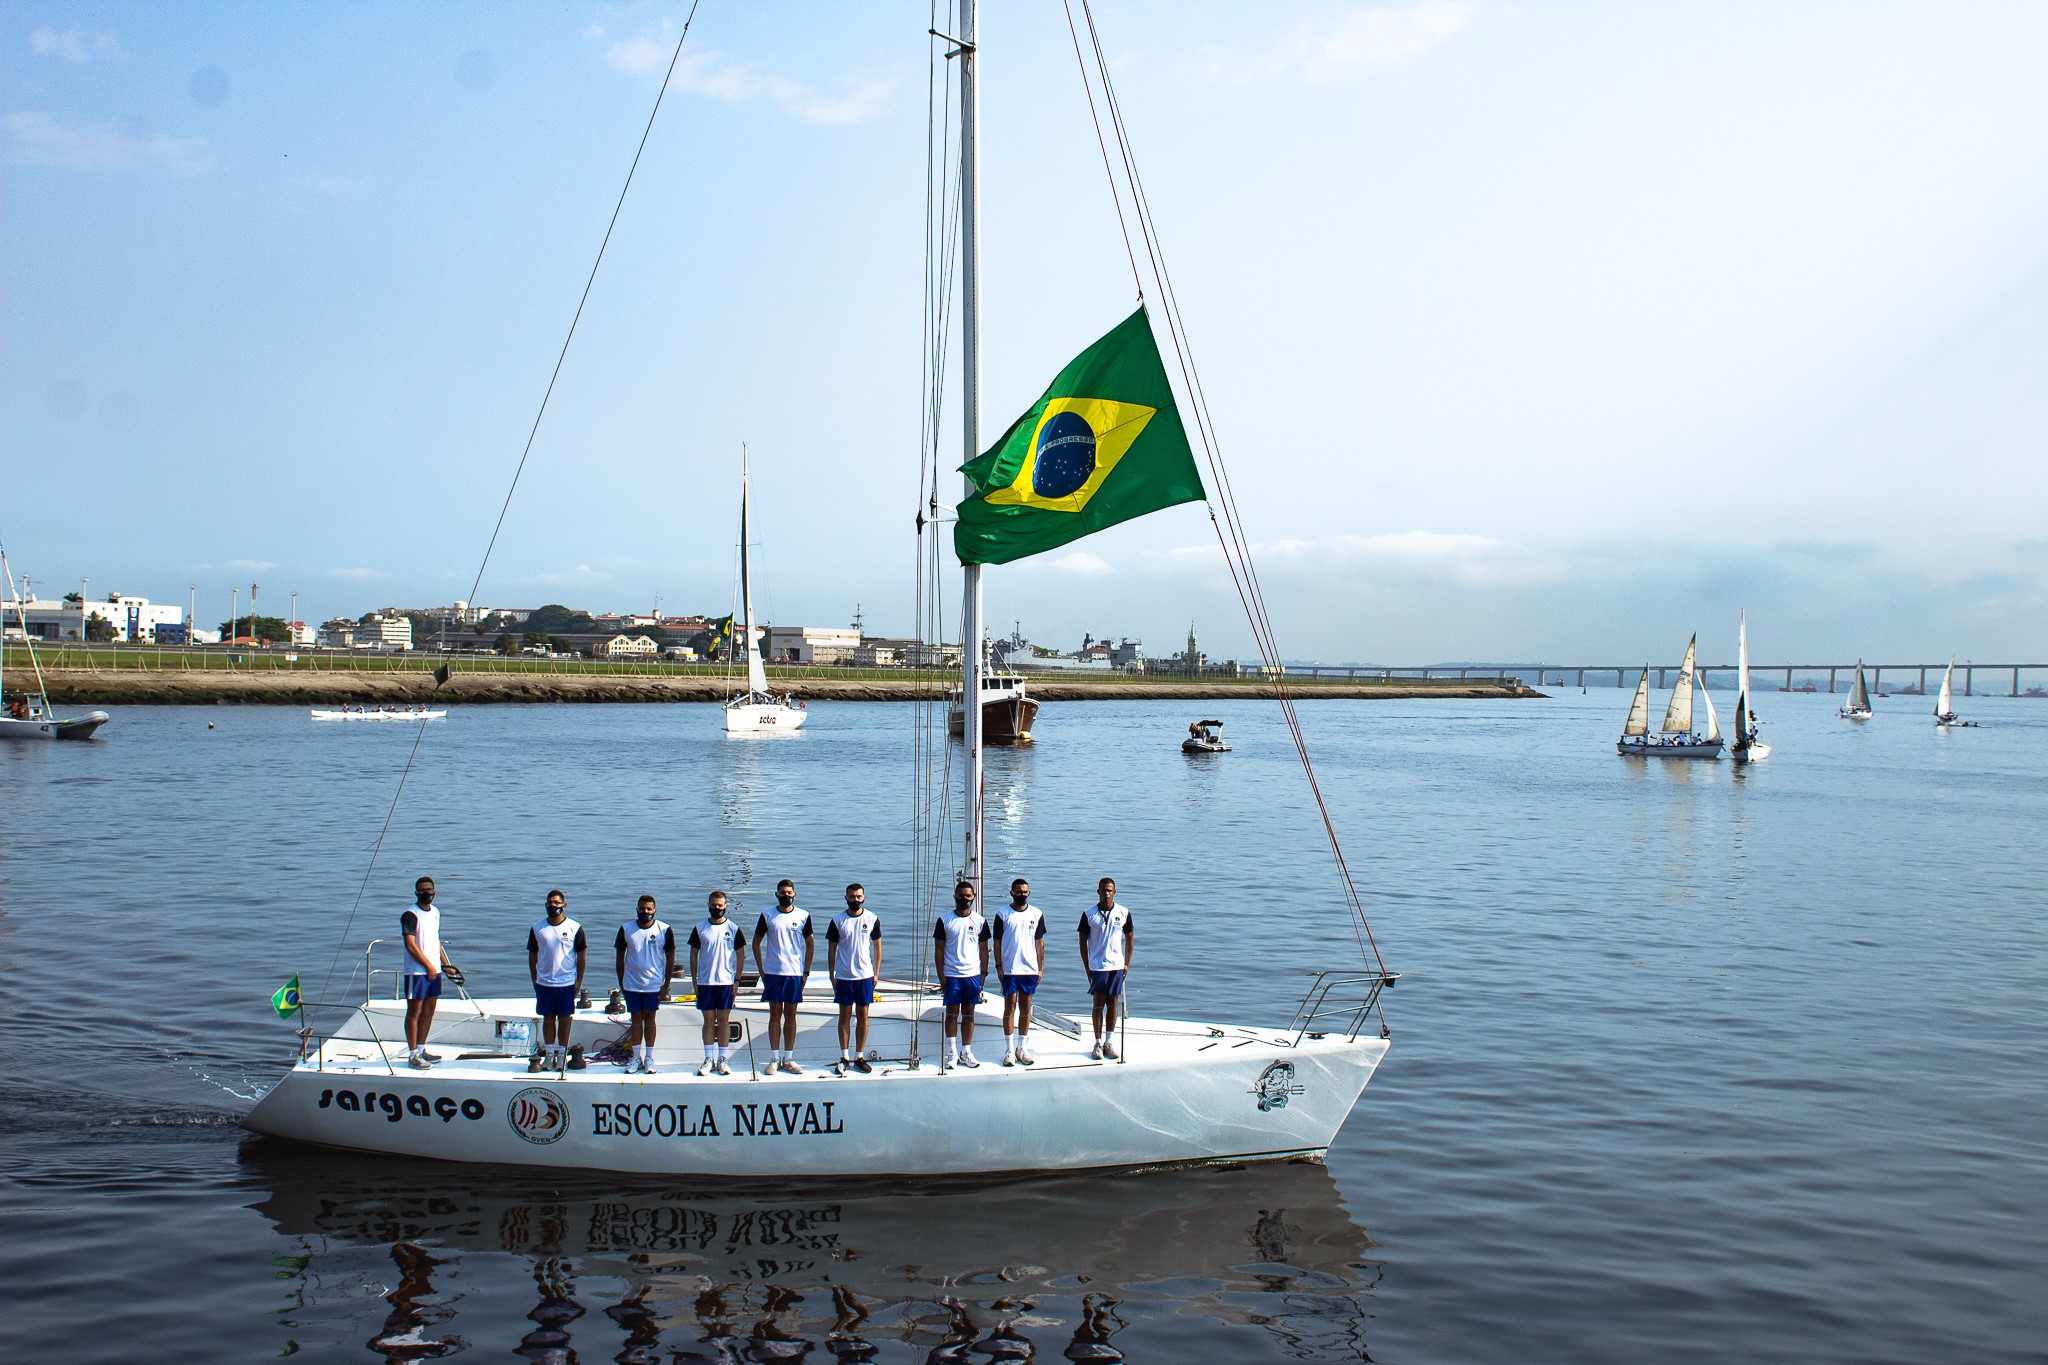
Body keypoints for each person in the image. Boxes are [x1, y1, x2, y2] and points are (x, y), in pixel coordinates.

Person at [753, 878, 814, 1074]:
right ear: (776, 894)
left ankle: (788, 1058)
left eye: (789, 893)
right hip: (773, 973)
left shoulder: (804, 915)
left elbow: (810, 944)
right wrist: (761, 970)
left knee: (790, 1015)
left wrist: (806, 971)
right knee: (774, 1015)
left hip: (794, 973)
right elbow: (755, 942)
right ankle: (774, 1058)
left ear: (794, 894)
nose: (786, 896)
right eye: (782, 892)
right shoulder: (767, 915)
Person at [399, 875, 458, 1070]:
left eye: (429, 890)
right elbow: (410, 945)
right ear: (416, 892)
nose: (426, 893)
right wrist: (428, 966)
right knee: (414, 1011)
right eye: (422, 890)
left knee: (429, 1010)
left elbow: (436, 940)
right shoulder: (410, 914)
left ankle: (423, 1048)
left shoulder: (435, 913)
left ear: (434, 892)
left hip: (434, 971)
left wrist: (445, 964)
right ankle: (413, 1054)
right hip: (416, 972)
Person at [614, 893, 675, 1075]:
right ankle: (635, 1057)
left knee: (650, 1019)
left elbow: (670, 957)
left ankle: (649, 1057)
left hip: (654, 984)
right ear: (637, 910)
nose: (645, 912)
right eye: (642, 909)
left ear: (654, 910)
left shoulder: (664, 930)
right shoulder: (626, 929)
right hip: (632, 984)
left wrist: (666, 983)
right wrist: (622, 981)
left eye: (649, 909)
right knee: (636, 1019)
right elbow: (619, 957)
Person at [527, 889, 587, 1072]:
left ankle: (562, 1055)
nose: (553, 906)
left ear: (564, 905)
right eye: (550, 903)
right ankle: (550, 1055)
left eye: (557, 903)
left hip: (566, 982)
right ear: (546, 905)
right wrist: (535, 979)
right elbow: (532, 956)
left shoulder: (574, 928)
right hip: (545, 983)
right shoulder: (537, 928)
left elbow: (581, 957)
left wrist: (578, 982)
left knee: (565, 1019)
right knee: (548, 1019)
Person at [933, 879, 990, 1069]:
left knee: (969, 1014)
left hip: (972, 975)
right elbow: (939, 949)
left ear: (973, 898)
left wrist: (983, 973)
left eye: (968, 896)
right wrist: (941, 975)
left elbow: (984, 949)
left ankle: (966, 1051)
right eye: (961, 896)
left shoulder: (980, 921)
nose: (964, 899)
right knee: (951, 1014)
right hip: (951, 975)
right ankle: (952, 1053)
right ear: (955, 897)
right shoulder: (945, 920)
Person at [826, 883, 883, 1074]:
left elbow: (877, 948)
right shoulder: (837, 921)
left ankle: (859, 1056)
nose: (855, 900)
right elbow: (832, 950)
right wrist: (831, 975)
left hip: (865, 976)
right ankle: (844, 1057)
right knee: (844, 1016)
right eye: (852, 897)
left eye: (859, 897)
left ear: (864, 898)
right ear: (846, 898)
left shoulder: (872, 919)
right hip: (844, 976)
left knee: (863, 1016)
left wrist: (876, 973)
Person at [688, 890, 745, 1076]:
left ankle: (722, 1058)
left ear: (725, 906)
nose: (717, 908)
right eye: (714, 905)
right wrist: (695, 981)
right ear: (708, 905)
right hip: (706, 983)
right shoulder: (700, 929)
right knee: (708, 1021)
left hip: (726, 983)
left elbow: (740, 955)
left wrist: (737, 980)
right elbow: (694, 955)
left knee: (723, 1021)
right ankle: (708, 1059)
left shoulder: (733, 929)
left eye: (720, 905)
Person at [1078, 876, 1135, 1060]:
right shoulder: (1089, 914)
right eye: (1103, 890)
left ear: (1115, 892)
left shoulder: (1123, 912)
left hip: (1116, 966)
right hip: (1097, 966)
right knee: (1098, 1004)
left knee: (1113, 1003)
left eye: (1110, 890)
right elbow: (1082, 941)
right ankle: (1097, 1042)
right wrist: (1087, 966)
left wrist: (1126, 963)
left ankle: (1109, 1042)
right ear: (1098, 892)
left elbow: (1130, 939)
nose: (1106, 894)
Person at [992, 876, 1046, 1066]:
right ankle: (1009, 1049)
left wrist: (1040, 968)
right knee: (1010, 1007)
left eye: (1025, 892)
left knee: (1025, 1007)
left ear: (1028, 893)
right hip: (1009, 968)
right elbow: (996, 942)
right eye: (1019, 892)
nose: (1022, 895)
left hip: (1029, 968)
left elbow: (1039, 943)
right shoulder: (1002, 914)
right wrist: (998, 966)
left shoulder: (1036, 914)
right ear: (1012, 893)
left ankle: (1021, 1047)